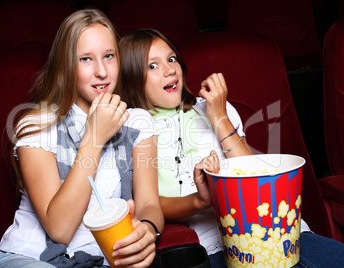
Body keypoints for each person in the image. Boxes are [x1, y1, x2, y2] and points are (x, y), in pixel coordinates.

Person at [118, 28, 344, 268]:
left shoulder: (214, 108)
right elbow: (150, 202)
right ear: (132, 79)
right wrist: (200, 200)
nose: (170, 69)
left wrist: (219, 117)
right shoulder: (138, 128)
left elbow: (259, 180)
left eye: (171, 59)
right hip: (218, 245)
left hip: (281, 230)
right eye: (152, 66)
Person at [0, 10, 163, 268]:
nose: (102, 71)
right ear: (67, 65)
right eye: (86, 59)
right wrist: (94, 138)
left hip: (104, 259)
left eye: (108, 56)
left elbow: (149, 203)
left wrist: (147, 230)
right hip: (29, 257)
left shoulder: (138, 122)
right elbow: (60, 229)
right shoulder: (34, 126)